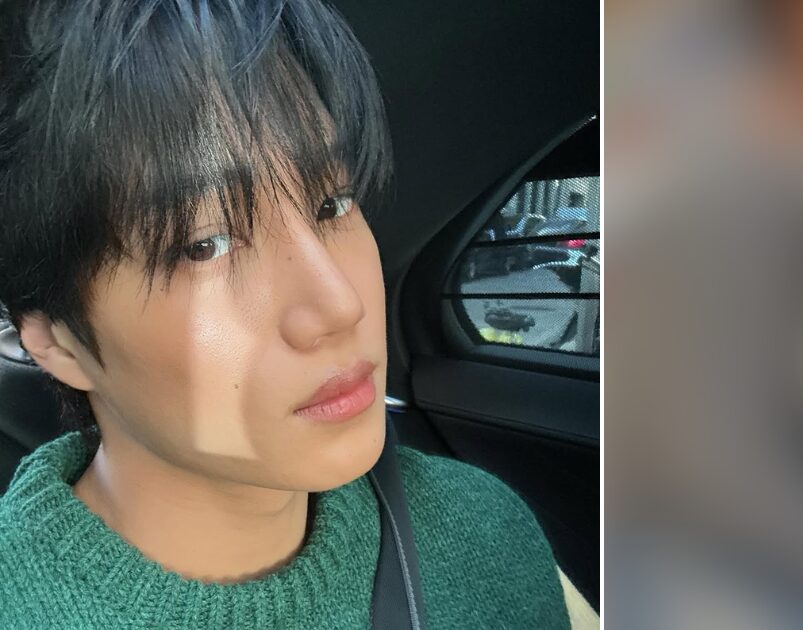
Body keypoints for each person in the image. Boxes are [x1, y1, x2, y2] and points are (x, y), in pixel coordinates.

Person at [0, 1, 598, 628]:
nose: (340, 304)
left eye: (332, 203)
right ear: (57, 342)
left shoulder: (483, 537)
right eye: (206, 245)